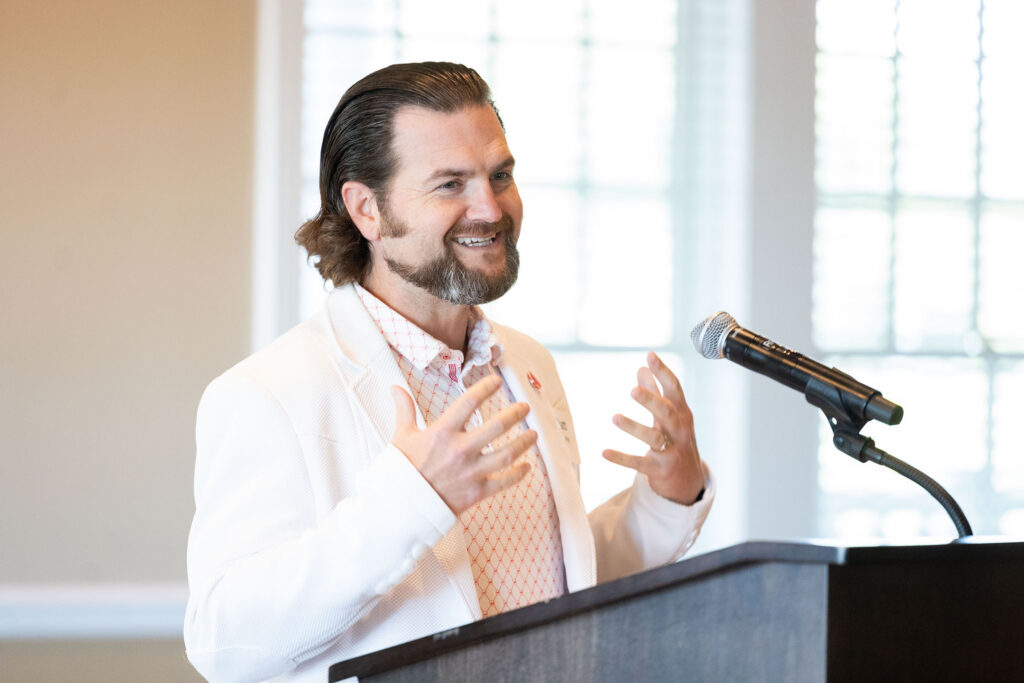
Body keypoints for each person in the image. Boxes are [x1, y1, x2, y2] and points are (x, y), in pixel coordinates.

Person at [184, 61, 714, 683]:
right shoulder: (266, 394)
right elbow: (225, 642)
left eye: (501, 175)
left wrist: (667, 496)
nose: (489, 208)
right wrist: (411, 502)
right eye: (450, 185)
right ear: (367, 210)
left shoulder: (527, 365)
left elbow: (556, 579)